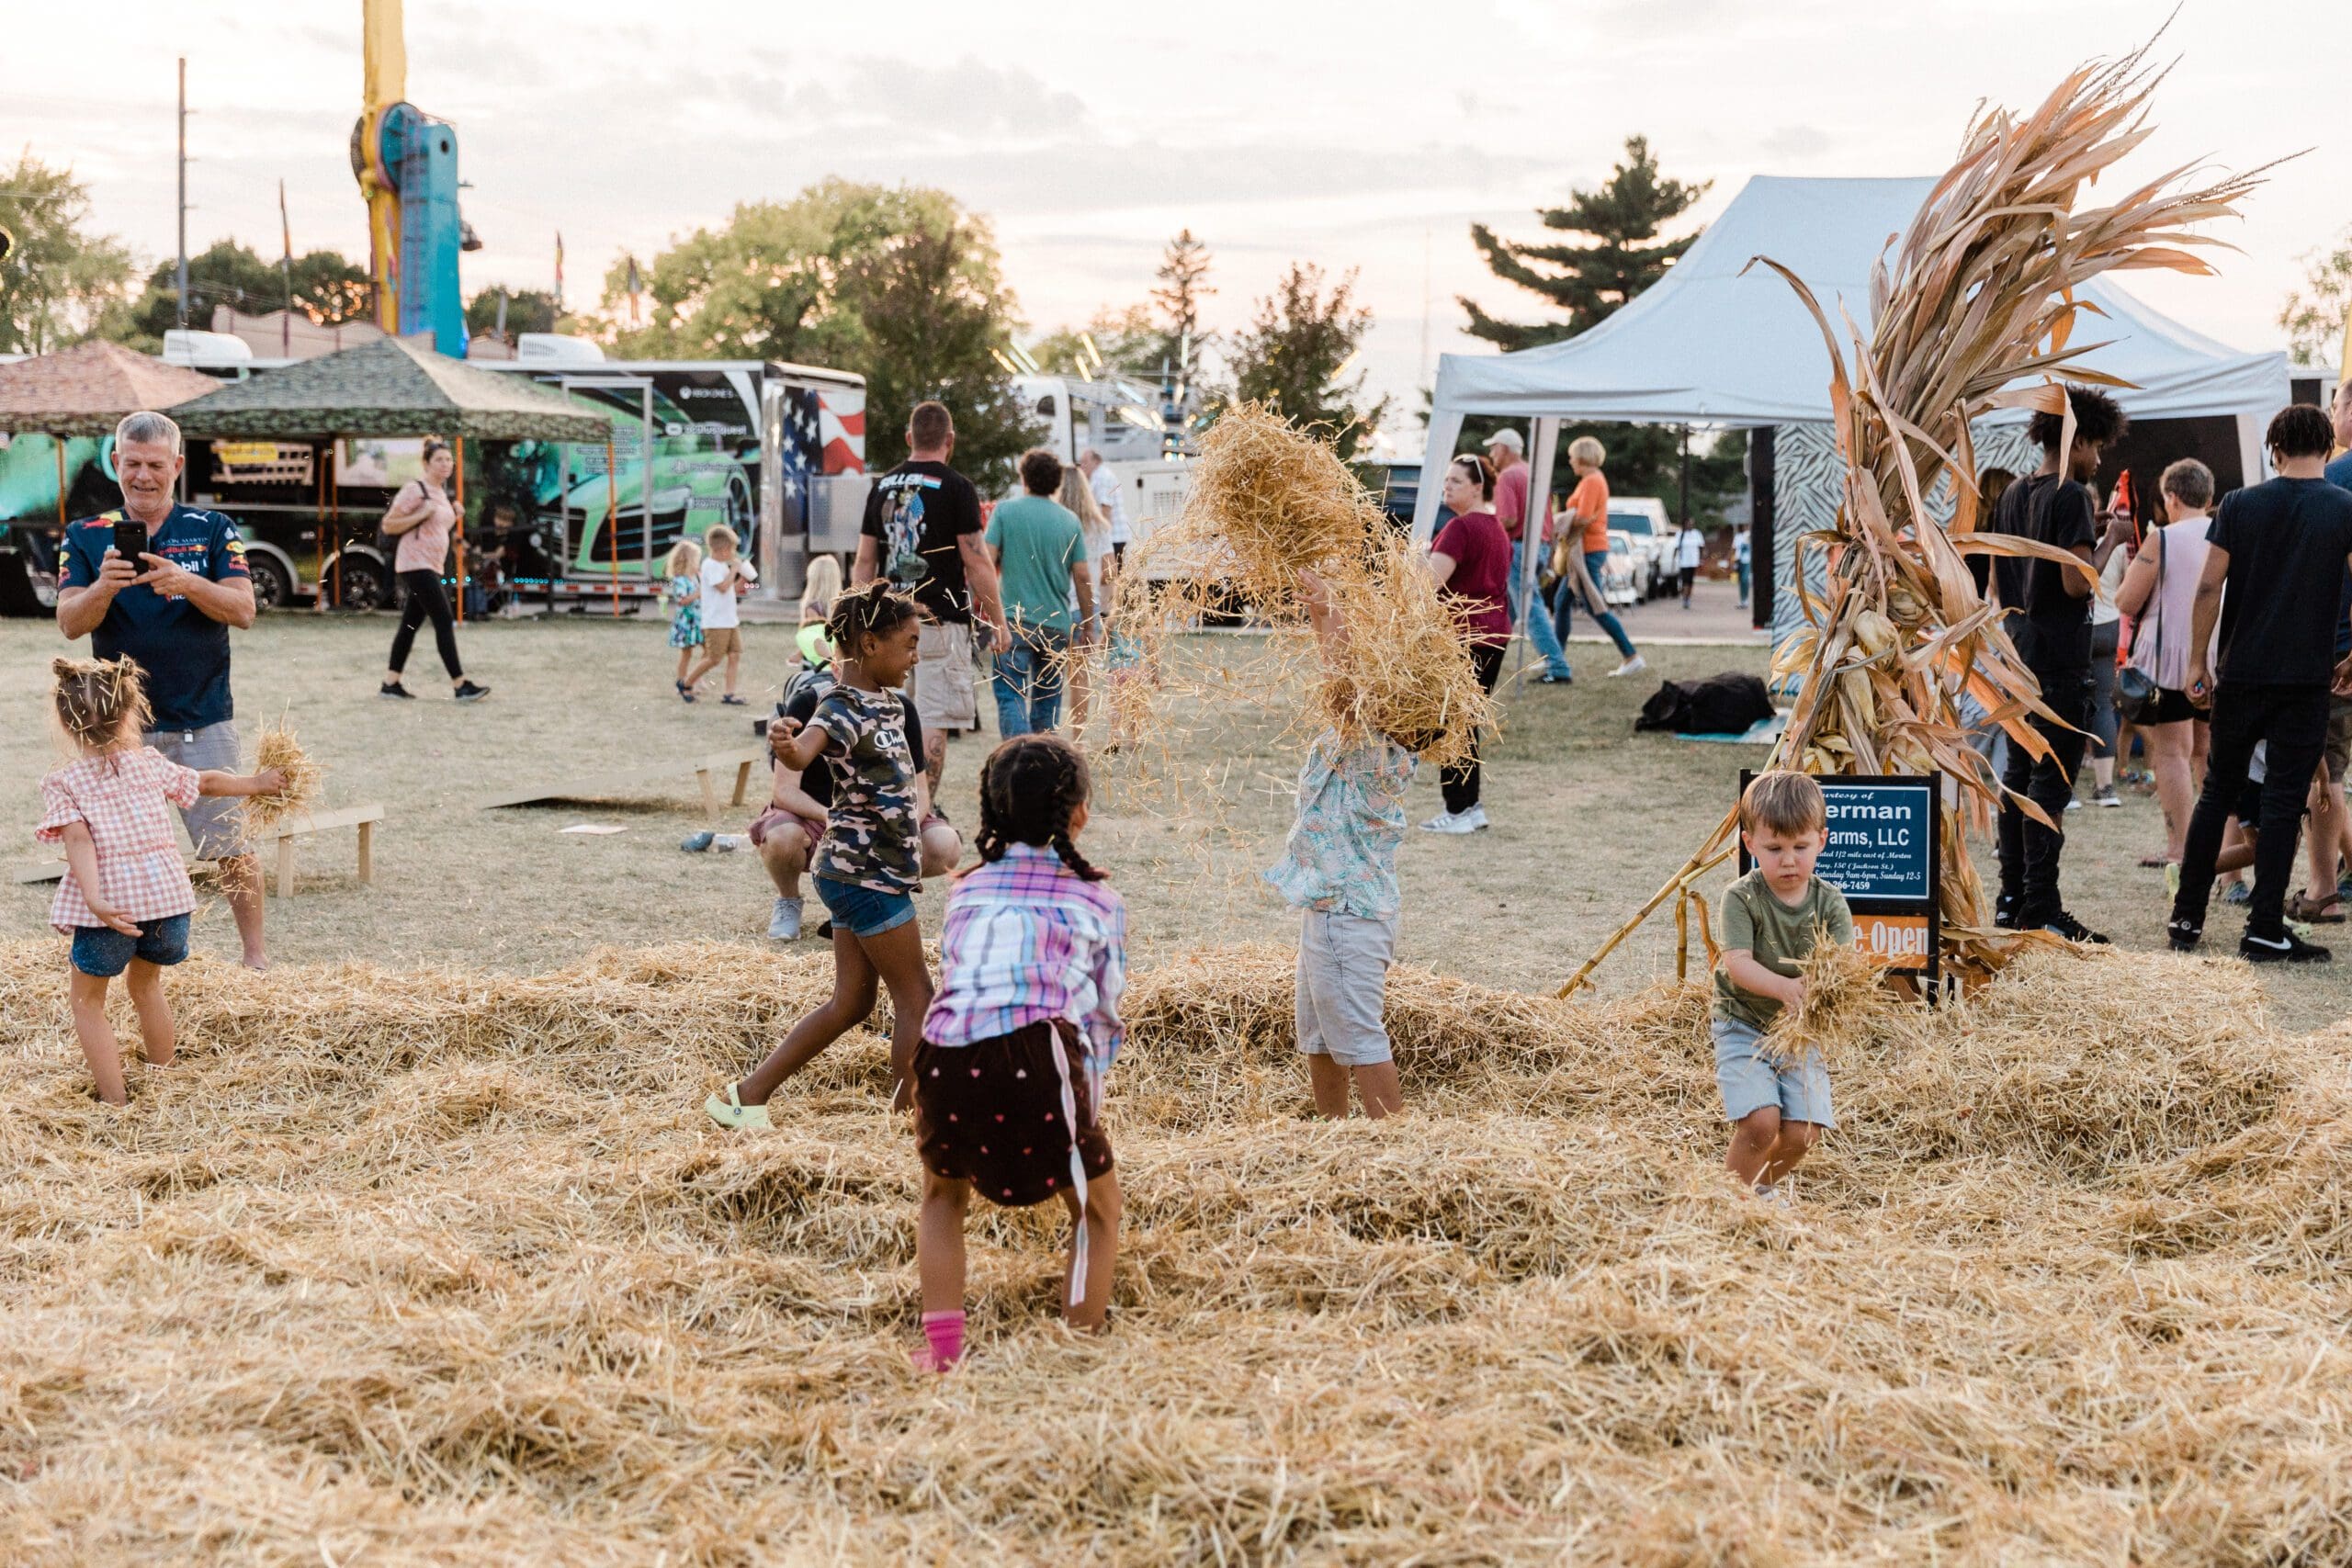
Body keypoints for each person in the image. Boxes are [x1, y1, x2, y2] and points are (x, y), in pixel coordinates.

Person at [910, 733, 1126, 1368]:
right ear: (1079, 812)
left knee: (942, 1198)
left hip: (943, 1050)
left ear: (991, 812)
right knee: (1096, 1209)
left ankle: (943, 1353)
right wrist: (1088, 1098)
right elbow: (1103, 1013)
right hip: (1038, 1053)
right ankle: (1076, 1347)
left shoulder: (966, 888)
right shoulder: (1097, 898)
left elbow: (960, 975)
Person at [707, 583, 936, 1125]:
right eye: (908, 644)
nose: (915, 655)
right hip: (863, 874)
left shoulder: (889, 703)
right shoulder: (837, 706)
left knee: (852, 1004)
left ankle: (746, 1097)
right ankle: (909, 1118)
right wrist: (786, 744)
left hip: (872, 871)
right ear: (869, 643)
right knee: (917, 996)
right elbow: (804, 746)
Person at [56, 411, 271, 971]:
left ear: (176, 465)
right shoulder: (85, 534)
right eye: (132, 464)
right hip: (118, 733)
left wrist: (188, 583)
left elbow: (244, 610)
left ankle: (255, 958)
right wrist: (103, 585)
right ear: (115, 463)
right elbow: (70, 624)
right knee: (118, 851)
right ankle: (130, 961)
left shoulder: (213, 527)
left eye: (156, 465)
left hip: (204, 715)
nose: (143, 476)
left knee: (229, 846)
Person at [39, 656, 284, 1104]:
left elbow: (78, 842)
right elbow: (207, 782)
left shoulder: (65, 781)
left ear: (65, 721)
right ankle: (164, 1081)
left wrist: (94, 899)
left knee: (88, 1003)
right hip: (169, 908)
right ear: (132, 714)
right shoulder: (150, 762)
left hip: (112, 914)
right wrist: (258, 782)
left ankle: (115, 1103)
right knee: (146, 986)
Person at [2169, 403, 2352, 963]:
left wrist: (2197, 661)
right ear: (2326, 449)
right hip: (2305, 679)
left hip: (2241, 673)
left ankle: (2186, 916)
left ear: (2275, 450)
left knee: (2218, 793)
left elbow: (2207, 589)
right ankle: (2264, 927)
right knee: (2281, 802)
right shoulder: (2345, 507)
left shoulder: (2240, 504)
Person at [1974, 386, 2129, 944]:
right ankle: (2042, 905)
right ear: (2079, 439)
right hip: (2059, 663)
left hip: (2018, 656)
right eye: (2097, 447)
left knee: (2018, 778)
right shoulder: (2071, 495)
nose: (2099, 458)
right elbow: (2074, 580)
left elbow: (1997, 580)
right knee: (2050, 786)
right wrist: (2109, 539)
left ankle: (2011, 898)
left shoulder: (2013, 493)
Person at [1269, 568, 1414, 1119]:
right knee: (1320, 1034)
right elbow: (1343, 677)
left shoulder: (1373, 746)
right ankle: (1332, 1134)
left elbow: (1347, 678)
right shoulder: (1361, 737)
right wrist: (1321, 610)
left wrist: (1332, 607)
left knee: (1356, 1036)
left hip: (1347, 915)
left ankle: (1390, 1146)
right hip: (1330, 909)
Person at [743, 655, 961, 942]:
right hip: (817, 816)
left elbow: (920, 791)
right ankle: (789, 899)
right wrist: (832, 818)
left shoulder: (901, 709)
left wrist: (900, 830)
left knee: (946, 844)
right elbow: (784, 791)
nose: (914, 658)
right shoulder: (810, 705)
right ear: (835, 668)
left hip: (886, 819)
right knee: (782, 836)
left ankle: (876, 896)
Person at [856, 401, 1011, 793]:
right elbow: (976, 564)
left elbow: (864, 560)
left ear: (910, 438)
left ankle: (892, 802)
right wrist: (998, 623)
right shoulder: (958, 488)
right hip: (940, 622)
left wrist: (857, 619)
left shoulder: (882, 485)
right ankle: (921, 811)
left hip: (888, 621)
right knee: (932, 716)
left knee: (891, 714)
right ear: (950, 440)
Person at [1713, 771, 1850, 1203]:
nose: (1788, 860)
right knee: (1761, 1122)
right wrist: (1787, 988)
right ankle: (1726, 1199)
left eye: (1800, 847)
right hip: (1744, 1024)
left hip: (1798, 1033)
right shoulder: (1741, 898)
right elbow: (1737, 964)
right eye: (1774, 849)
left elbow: (1843, 965)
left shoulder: (1830, 903)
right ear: (1749, 843)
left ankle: (1760, 1190)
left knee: (1806, 1130)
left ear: (1822, 840)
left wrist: (1826, 983)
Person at [2114, 458, 2216, 875]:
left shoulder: (2163, 540)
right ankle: (2218, 854)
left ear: (2171, 498)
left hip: (2171, 661)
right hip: (2214, 658)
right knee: (2207, 754)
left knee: (2172, 753)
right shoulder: (2226, 534)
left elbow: (2125, 601)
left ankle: (2180, 848)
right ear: (2208, 498)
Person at [1420, 455, 1510, 835]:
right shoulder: (1495, 526)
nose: (1448, 486)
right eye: (1447, 480)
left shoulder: (1460, 528)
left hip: (1465, 636)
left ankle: (1459, 810)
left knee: (1452, 724)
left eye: (1456, 480)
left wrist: (1414, 560)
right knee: (1465, 722)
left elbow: (1426, 584)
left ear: (1478, 487)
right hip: (1494, 634)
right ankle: (1470, 808)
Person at [986, 447, 1094, 737]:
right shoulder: (1069, 520)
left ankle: (1019, 757)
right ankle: (1044, 764)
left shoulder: (1006, 512)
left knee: (1011, 696)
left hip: (1014, 621)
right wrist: (1088, 624)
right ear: (1057, 482)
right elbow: (1082, 575)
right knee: (1048, 704)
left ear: (1024, 478)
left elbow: (986, 559)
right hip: (1056, 625)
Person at [379, 439, 488, 703]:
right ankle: (460, 684)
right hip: (415, 563)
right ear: (426, 463)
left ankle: (390, 683)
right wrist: (421, 514)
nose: (445, 464)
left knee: (410, 624)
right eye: (439, 459)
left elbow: (436, 528)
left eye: (449, 459)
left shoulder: (442, 493)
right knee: (443, 617)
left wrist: (455, 515)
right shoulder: (414, 490)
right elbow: (388, 525)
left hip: (432, 565)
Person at [1485, 429, 1574, 684]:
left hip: (1518, 548)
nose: (1491, 454)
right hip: (1539, 547)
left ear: (1504, 449)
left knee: (1530, 607)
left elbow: (1509, 518)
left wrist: (1490, 526)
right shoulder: (1533, 475)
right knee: (1509, 609)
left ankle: (1558, 667)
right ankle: (1488, 658)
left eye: (1493, 448)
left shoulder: (1507, 477)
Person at [1551, 435, 1644, 676]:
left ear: (1582, 457)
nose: (1570, 460)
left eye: (1572, 456)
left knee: (1594, 605)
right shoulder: (1591, 480)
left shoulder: (1592, 481)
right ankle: (1555, 656)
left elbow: (1583, 516)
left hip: (1588, 550)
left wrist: (1563, 522)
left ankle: (1630, 655)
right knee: (1564, 603)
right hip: (1588, 549)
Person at [2075, 484, 2137, 810]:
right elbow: (2130, 581)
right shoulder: (2115, 539)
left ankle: (2066, 789)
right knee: (2102, 705)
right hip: (2110, 623)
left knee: (2069, 702)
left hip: (2079, 624)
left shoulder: (2072, 536)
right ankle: (2106, 788)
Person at [1057, 464, 1115, 739]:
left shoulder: (1054, 523)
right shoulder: (1099, 526)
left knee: (1050, 679)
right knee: (1081, 680)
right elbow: (1109, 571)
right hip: (1085, 609)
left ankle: (1046, 738)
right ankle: (1077, 741)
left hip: (1055, 604)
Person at [683, 525, 755, 705]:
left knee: (734, 655)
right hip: (716, 621)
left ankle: (729, 694)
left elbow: (732, 588)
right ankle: (686, 684)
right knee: (714, 658)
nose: (733, 553)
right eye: (731, 549)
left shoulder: (722, 565)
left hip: (730, 620)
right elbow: (722, 587)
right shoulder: (710, 565)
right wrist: (735, 570)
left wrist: (744, 579)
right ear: (722, 550)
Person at [662, 539, 705, 702]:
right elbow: (682, 600)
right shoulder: (680, 580)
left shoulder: (694, 577)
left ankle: (695, 678)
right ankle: (681, 681)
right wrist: (698, 594)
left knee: (707, 650)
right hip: (686, 622)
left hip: (697, 621)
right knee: (686, 653)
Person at [1077, 447, 1131, 564]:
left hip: (1113, 537)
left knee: (1110, 575)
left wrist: (1100, 537)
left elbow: (1105, 509)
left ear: (1096, 461)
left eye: (1085, 462)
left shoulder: (1101, 477)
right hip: (1115, 536)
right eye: (1081, 462)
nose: (1082, 465)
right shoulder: (1100, 475)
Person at [796, 552, 842, 677]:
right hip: (837, 660)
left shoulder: (811, 607)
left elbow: (813, 639)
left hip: (816, 664)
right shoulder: (841, 605)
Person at [1675, 521, 1704, 608]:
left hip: (1693, 561)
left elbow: (1701, 546)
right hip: (1684, 562)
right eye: (1688, 524)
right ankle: (1685, 597)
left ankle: (1688, 597)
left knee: (1690, 581)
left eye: (1691, 524)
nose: (1690, 526)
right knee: (1685, 580)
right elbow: (1676, 547)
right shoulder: (1680, 534)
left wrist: (1701, 559)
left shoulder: (1697, 534)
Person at [1735, 526, 1752, 608]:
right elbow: (1735, 548)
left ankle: (1746, 599)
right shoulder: (1737, 536)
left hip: (1748, 561)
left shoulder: (1749, 534)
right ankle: (1742, 600)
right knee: (1741, 581)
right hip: (1740, 561)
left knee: (1745, 579)